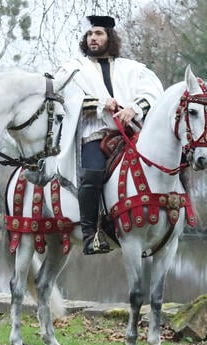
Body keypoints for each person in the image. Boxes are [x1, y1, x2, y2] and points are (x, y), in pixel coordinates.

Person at [55, 14, 163, 254]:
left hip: (131, 134)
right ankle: (90, 235)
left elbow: (154, 92)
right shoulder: (74, 68)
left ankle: (167, 223)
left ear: (110, 37)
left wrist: (133, 108)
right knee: (93, 174)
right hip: (94, 134)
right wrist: (100, 103)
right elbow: (63, 96)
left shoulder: (133, 69)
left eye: (99, 34)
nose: (93, 38)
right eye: (90, 34)